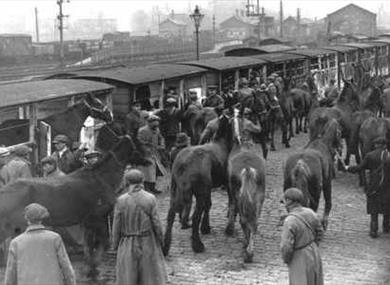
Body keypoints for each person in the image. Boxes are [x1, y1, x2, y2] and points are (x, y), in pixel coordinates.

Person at [111, 169, 167, 285]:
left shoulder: (120, 201)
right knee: (149, 278)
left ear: (127, 182)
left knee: (128, 278)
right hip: (147, 243)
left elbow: (116, 227)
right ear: (142, 180)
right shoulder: (150, 198)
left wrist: (115, 245)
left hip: (127, 243)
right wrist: (161, 241)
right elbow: (156, 223)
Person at [5, 203, 76, 285]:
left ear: (26, 218)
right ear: (42, 218)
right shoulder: (54, 238)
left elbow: (10, 274)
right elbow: (66, 267)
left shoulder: (16, 243)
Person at [347, 131, 390, 238]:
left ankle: (373, 230)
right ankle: (386, 227)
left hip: (374, 186)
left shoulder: (370, 155)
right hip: (388, 186)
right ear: (385, 146)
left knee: (373, 209)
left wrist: (348, 168)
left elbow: (359, 168)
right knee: (387, 208)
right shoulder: (389, 156)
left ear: (376, 145)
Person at [280, 188, 324, 285]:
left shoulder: (289, 221)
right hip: (314, 253)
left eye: (284, 202)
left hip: (299, 256)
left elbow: (286, 246)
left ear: (288, 201)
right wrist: (313, 245)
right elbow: (320, 232)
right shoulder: (311, 213)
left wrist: (287, 259)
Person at [137, 114, 165, 194]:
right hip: (146, 154)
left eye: (157, 123)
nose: (156, 125)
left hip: (155, 153)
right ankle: (146, 188)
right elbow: (139, 142)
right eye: (154, 123)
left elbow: (161, 137)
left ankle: (153, 188)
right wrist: (146, 145)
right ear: (149, 123)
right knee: (147, 172)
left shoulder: (157, 130)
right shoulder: (142, 130)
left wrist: (162, 144)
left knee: (155, 171)